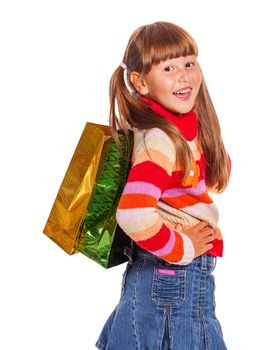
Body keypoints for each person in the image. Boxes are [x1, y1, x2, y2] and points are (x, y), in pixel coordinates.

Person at [95, 21, 230, 350]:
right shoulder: (160, 140)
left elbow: (209, 180)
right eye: (168, 67)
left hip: (168, 276)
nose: (183, 75)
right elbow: (133, 213)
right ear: (140, 83)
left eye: (189, 63)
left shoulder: (178, 127)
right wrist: (184, 248)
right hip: (171, 275)